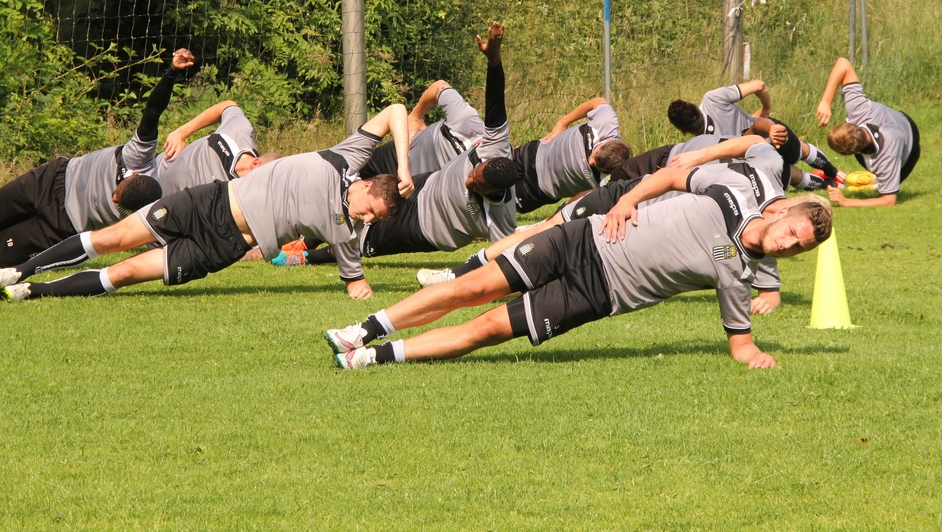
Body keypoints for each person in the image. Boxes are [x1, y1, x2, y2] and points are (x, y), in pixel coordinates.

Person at [325, 165, 832, 370]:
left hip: (597, 294)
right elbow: (674, 175)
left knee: (487, 329)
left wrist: (756, 357)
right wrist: (626, 200)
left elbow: (740, 342)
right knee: (472, 287)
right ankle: (362, 330)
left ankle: (372, 358)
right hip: (581, 239)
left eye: (797, 249)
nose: (787, 244)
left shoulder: (738, 274)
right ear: (784, 212)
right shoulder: (732, 192)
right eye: (792, 231)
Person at [0, 104, 415, 301]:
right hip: (207, 202)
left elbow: (353, 277)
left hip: (223, 246)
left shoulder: (348, 232)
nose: (365, 217)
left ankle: (31, 291)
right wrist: (404, 168)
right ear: (365, 185)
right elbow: (396, 110)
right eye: (369, 209)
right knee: (112, 238)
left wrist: (359, 287)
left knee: (128, 271)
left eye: (373, 219)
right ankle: (18, 271)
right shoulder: (343, 158)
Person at [419, 135, 793, 315]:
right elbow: (755, 141)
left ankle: (493, 284)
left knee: (555, 258)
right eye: (790, 225)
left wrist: (770, 293)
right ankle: (459, 273)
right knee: (545, 231)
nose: (786, 235)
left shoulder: (764, 231)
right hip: (628, 196)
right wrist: (704, 153)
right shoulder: (769, 170)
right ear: (787, 211)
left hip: (642, 232)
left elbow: (758, 256)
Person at [0, 49, 195, 269]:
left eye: (119, 205)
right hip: (52, 180)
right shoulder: (138, 156)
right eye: (118, 192)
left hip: (63, 225)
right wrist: (172, 72)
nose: (113, 198)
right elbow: (153, 111)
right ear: (134, 174)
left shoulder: (148, 210)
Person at [302, 22, 518, 265]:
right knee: (350, 183)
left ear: (492, 193)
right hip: (424, 182)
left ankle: (306, 257)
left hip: (427, 226)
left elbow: (503, 261)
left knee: (368, 236)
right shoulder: (491, 144)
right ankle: (305, 234)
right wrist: (494, 58)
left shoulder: (502, 216)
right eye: (474, 173)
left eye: (475, 185)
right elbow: (495, 99)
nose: (468, 180)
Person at [668, 80, 841, 187]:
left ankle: (829, 185)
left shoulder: (701, 148)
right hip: (769, 131)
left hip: (758, 160)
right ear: (695, 107)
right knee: (801, 151)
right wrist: (766, 108)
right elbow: (759, 85)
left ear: (683, 131)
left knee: (793, 175)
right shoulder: (712, 99)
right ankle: (834, 173)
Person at [816, 57, 920, 207]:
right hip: (899, 120)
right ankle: (878, 181)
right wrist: (825, 102)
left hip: (909, 151)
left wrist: (846, 201)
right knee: (883, 178)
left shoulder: (885, 157)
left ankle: (879, 182)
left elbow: (889, 201)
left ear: (851, 153)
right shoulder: (858, 110)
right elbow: (843, 63)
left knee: (886, 187)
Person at [512, 97, 632, 213]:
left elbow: (588, 198)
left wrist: (561, 212)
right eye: (595, 156)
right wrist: (563, 123)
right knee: (500, 168)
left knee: (503, 203)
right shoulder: (606, 124)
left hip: (538, 189)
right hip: (533, 153)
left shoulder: (611, 180)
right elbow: (598, 102)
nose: (590, 162)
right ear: (607, 142)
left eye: (597, 166)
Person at [359, 79, 484, 178]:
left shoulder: (488, 181)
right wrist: (416, 116)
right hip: (396, 155)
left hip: (415, 192)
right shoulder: (467, 120)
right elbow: (439, 86)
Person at [156, 100, 281, 195]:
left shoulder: (237, 200)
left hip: (156, 207)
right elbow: (228, 105)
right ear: (256, 164)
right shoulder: (240, 133)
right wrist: (181, 132)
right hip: (154, 164)